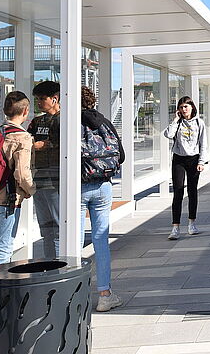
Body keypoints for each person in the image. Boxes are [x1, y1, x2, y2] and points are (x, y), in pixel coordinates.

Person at [80, 86, 125, 312]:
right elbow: (122, 155)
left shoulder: (70, 121)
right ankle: (105, 295)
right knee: (100, 240)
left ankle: (75, 292)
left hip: (77, 187)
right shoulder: (104, 121)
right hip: (104, 186)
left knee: (74, 242)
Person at [0, 91, 36, 264]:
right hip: (7, 200)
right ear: (25, 111)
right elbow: (22, 173)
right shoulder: (22, 137)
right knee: (3, 249)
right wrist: (30, 190)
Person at [162, 96, 209, 240]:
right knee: (178, 191)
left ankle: (191, 223)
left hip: (194, 160)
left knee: (192, 191)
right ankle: (175, 227)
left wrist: (201, 162)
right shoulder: (178, 123)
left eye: (186, 107)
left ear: (192, 107)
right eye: (181, 107)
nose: (183, 110)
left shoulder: (199, 123)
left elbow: (203, 144)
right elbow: (168, 134)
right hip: (179, 159)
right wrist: (175, 120)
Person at [28, 80, 61, 258]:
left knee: (57, 227)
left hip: (56, 181)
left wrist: (42, 145)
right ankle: (50, 264)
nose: (39, 103)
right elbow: (27, 142)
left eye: (42, 99)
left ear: (54, 99)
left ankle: (59, 266)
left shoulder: (65, 119)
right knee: (46, 228)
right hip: (38, 180)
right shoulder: (37, 121)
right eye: (37, 99)